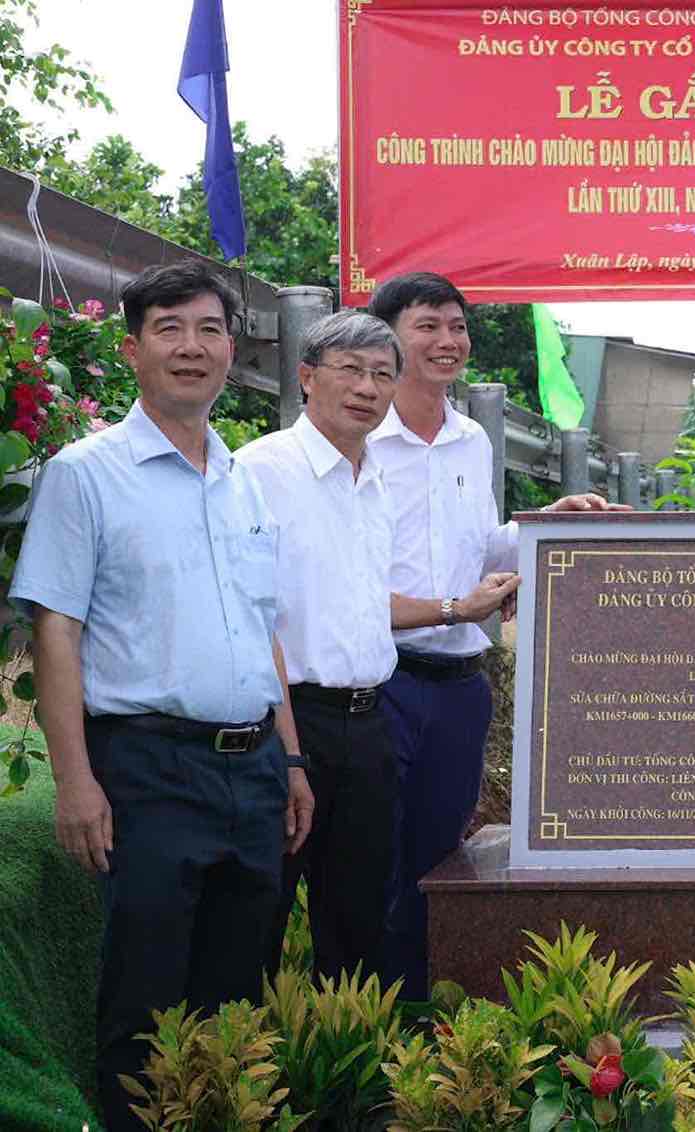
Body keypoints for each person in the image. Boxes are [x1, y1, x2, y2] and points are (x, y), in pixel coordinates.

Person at [10, 261, 313, 1132]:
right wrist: (76, 782)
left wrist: (289, 757)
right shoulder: (85, 473)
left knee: (236, 1000)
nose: (193, 347)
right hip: (146, 768)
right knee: (145, 1006)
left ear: (231, 347)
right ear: (133, 346)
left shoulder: (243, 477)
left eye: (210, 329)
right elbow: (55, 629)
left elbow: (263, 630)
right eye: (170, 328)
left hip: (253, 768)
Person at [367, 272, 627, 999]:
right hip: (379, 679)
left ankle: (424, 1009)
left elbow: (476, 548)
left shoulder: (471, 438)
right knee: (370, 863)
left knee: (439, 857)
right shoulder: (359, 436)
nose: (448, 341)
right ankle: (364, 1012)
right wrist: (450, 604)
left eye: (457, 326)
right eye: (428, 325)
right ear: (388, 334)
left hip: (458, 682)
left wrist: (545, 523)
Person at [240, 310, 404, 982]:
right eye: (351, 369)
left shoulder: (377, 480)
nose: (367, 387)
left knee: (358, 918)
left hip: (368, 723)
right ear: (307, 377)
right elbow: (254, 621)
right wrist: (291, 752)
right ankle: (246, 1072)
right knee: (261, 912)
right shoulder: (259, 471)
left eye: (383, 374)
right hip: (287, 722)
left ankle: (347, 1069)